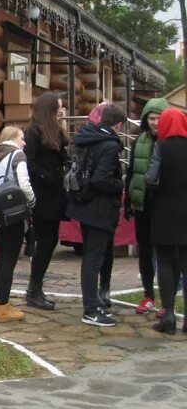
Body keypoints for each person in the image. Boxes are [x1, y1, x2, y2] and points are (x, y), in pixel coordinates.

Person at [66, 103, 127, 327]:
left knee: (92, 257)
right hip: (99, 208)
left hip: (83, 204)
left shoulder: (84, 137)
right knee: (93, 259)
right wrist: (119, 184)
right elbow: (100, 179)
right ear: (117, 124)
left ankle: (95, 303)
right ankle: (90, 310)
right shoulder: (109, 145)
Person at [23, 92, 70, 310]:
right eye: (58, 108)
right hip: (43, 194)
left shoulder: (54, 130)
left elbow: (62, 155)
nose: (61, 111)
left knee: (51, 240)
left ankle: (37, 287)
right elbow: (29, 162)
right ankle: (34, 289)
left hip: (55, 192)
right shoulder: (33, 132)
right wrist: (46, 175)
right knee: (45, 241)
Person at [124, 98, 169, 315]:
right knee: (145, 252)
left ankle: (167, 299)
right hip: (143, 204)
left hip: (164, 206)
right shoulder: (138, 141)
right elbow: (132, 171)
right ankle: (148, 295)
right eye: (151, 118)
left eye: (159, 117)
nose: (155, 122)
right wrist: (128, 200)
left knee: (165, 254)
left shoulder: (172, 141)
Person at [0, 126, 34, 323]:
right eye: (22, 138)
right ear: (13, 138)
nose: (24, 142)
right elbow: (24, 184)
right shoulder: (17, 156)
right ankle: (3, 307)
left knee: (3, 258)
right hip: (14, 211)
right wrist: (31, 203)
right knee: (9, 260)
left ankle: (1, 302)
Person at [148, 108, 187, 335]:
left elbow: (151, 179)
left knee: (163, 262)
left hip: (164, 211)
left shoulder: (160, 147)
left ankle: (169, 314)